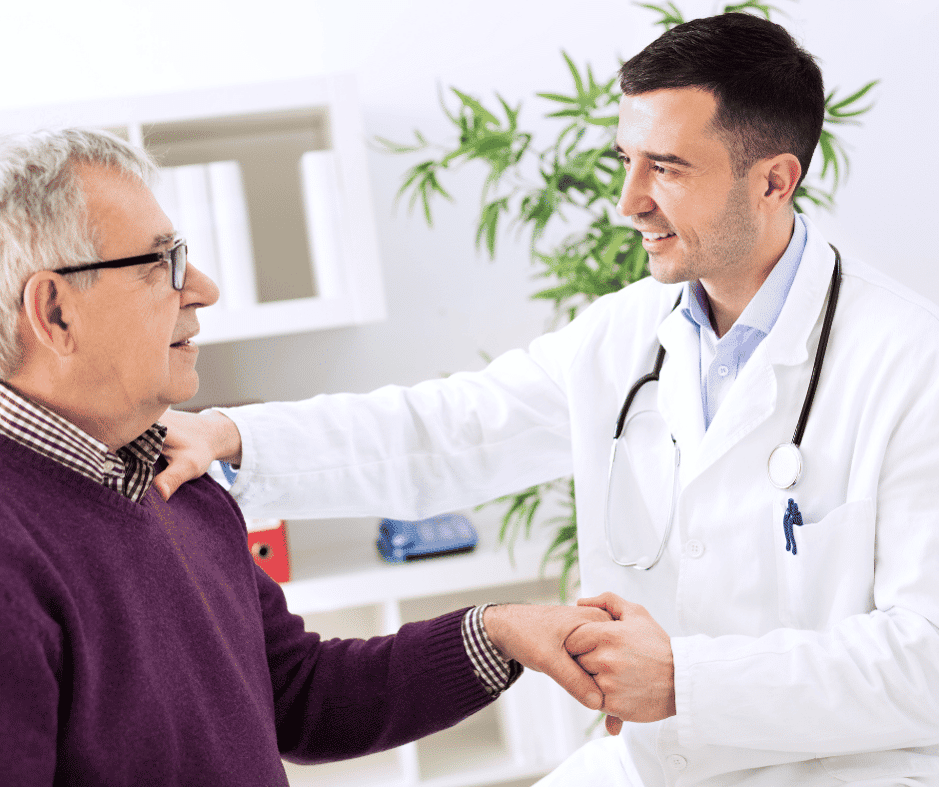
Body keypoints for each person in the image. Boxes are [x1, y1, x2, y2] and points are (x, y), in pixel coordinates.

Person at [157, 12, 939, 787]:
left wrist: (685, 680)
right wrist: (229, 436)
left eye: (666, 168)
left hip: (844, 768)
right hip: (654, 762)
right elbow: (446, 430)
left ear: (773, 180)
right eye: (625, 161)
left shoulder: (910, 362)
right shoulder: (623, 335)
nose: (628, 202)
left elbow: (927, 661)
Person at [0, 128, 616, 787]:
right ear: (55, 311)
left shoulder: (173, 479)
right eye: (160, 263)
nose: (203, 288)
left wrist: (497, 633)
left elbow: (297, 691)